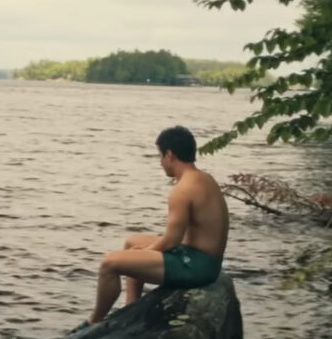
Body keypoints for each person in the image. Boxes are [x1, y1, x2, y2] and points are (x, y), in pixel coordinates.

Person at [82, 126, 229, 326]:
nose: (160, 163)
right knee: (132, 242)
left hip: (197, 267)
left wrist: (144, 253)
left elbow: (171, 241)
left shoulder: (183, 190)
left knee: (109, 264)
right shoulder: (204, 178)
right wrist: (140, 251)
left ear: (169, 154)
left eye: (160, 156)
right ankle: (131, 307)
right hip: (205, 259)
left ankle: (95, 322)